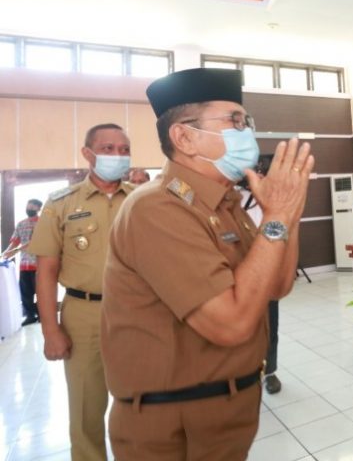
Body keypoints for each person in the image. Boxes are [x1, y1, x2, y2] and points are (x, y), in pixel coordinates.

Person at [101, 68, 313, 460]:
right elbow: (231, 324)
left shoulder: (225, 202)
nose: (246, 132)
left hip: (227, 407)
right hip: (175, 422)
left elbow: (277, 285)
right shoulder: (157, 207)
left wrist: (289, 212)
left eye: (246, 121)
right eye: (234, 121)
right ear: (184, 137)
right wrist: (277, 216)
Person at [27, 124, 134, 461]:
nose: (117, 155)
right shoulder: (61, 203)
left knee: (141, 405)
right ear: (88, 154)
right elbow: (46, 271)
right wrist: (50, 330)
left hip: (139, 313)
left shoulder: (142, 199)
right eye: (108, 148)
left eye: (124, 149)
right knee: (86, 408)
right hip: (83, 314)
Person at [238, 153, 282, 395]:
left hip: (267, 276)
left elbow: (279, 237)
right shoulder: (234, 199)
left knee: (270, 328)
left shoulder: (275, 203)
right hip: (238, 276)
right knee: (242, 329)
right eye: (258, 172)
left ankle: (270, 372)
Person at [1, 198, 43, 326]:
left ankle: (43, 315)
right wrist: (4, 254)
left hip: (40, 264)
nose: (29, 208)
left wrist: (16, 250)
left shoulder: (43, 223)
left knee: (42, 291)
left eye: (32, 206)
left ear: (38, 208)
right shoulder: (21, 224)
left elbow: (36, 241)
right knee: (25, 292)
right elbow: (14, 242)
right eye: (28, 205)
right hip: (24, 264)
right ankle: (30, 315)